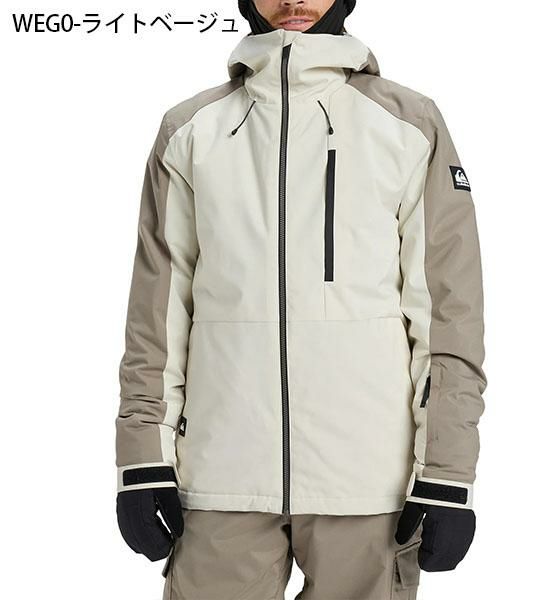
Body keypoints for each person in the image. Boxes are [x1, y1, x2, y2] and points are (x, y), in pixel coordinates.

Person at [114, 1, 487, 598]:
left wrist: (446, 470)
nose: (293, 0)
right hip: (219, 477)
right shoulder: (189, 130)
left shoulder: (409, 123)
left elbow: (448, 315)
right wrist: (142, 458)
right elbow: (157, 317)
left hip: (369, 486)